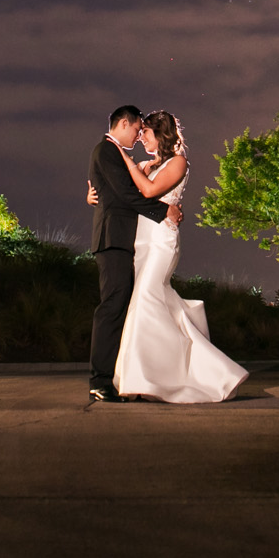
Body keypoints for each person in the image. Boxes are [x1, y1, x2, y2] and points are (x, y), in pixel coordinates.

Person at [88, 109, 248, 403]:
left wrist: (124, 159)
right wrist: (94, 193)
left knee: (146, 298)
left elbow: (146, 191)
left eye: (144, 133)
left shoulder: (178, 162)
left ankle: (154, 377)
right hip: (139, 241)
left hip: (161, 240)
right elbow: (121, 190)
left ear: (159, 134)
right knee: (141, 305)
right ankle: (142, 377)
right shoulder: (143, 163)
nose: (139, 137)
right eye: (138, 131)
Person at [86, 105, 178, 402]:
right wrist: (164, 211)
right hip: (113, 239)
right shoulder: (107, 151)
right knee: (111, 307)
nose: (139, 135)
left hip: (122, 239)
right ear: (124, 123)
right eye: (138, 129)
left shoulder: (111, 153)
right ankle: (100, 381)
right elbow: (126, 195)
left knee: (119, 307)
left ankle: (112, 377)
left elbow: (116, 191)